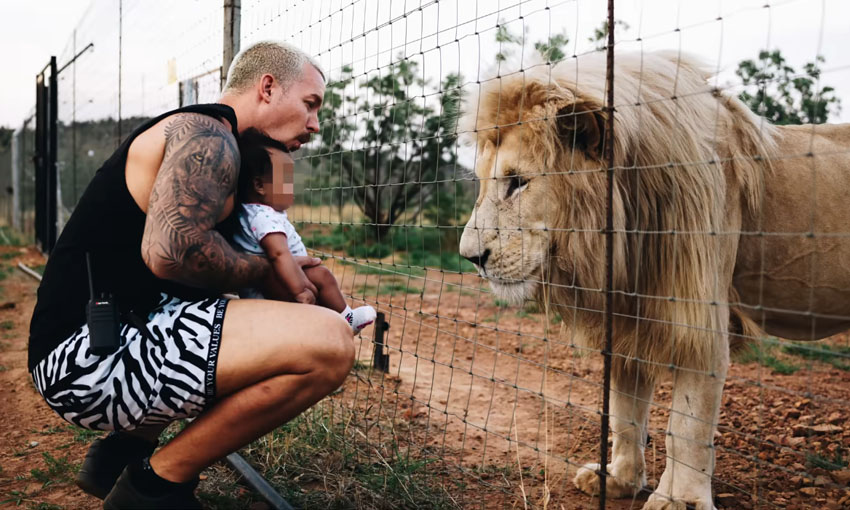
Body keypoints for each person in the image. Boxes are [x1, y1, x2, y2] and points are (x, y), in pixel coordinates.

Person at [28, 41, 355, 509]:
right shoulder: (208, 135)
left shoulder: (219, 142)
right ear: (267, 87)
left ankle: (122, 454)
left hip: (100, 342)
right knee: (330, 343)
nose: (315, 124)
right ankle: (156, 486)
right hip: (84, 361)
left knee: (275, 326)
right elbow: (171, 252)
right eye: (310, 104)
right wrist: (266, 273)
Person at [232, 128, 377, 331]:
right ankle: (346, 319)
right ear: (259, 185)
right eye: (287, 180)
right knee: (322, 276)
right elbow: (279, 253)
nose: (293, 185)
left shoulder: (250, 213)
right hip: (283, 281)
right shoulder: (263, 216)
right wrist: (299, 289)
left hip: (270, 282)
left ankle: (331, 321)